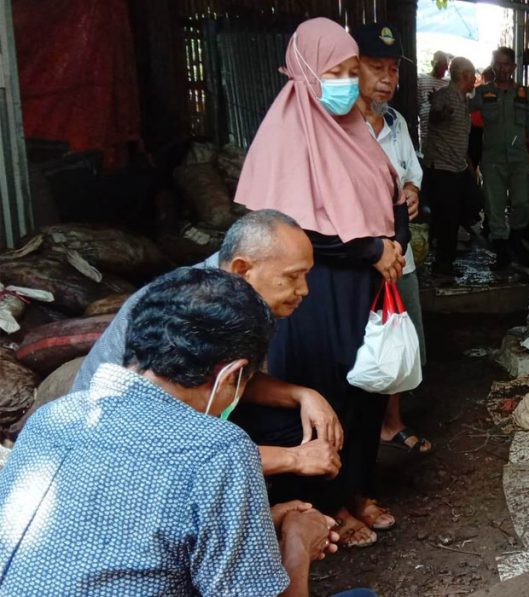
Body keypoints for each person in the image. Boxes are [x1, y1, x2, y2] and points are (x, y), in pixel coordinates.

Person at [0, 268, 344, 596]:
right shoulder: (218, 449)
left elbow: (113, 542)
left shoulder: (51, 419)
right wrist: (298, 546)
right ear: (232, 376)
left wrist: (258, 525)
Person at [234, 17, 408, 549]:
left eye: (350, 71)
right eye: (335, 71)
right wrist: (371, 248)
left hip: (367, 286)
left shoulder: (357, 130)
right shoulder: (287, 133)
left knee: (366, 390)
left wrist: (394, 242)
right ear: (307, 70)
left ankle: (357, 488)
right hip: (314, 293)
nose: (346, 82)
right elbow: (288, 230)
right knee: (323, 391)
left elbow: (390, 194)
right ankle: (320, 506)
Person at [72, 209, 342, 480]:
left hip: (166, 426)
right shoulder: (194, 307)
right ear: (242, 269)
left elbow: (232, 383)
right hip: (133, 439)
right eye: (293, 276)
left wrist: (303, 395)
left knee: (303, 427)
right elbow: (172, 446)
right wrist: (292, 459)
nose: (304, 289)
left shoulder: (229, 299)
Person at [352, 22, 432, 455]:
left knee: (401, 336)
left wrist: (414, 190)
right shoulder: (339, 125)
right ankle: (357, 429)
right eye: (375, 66)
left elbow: (410, 171)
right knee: (362, 341)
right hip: (357, 255)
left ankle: (391, 422)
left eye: (393, 69)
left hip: (401, 255)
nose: (386, 77)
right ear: (353, 67)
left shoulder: (397, 122)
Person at [468, 47, 529, 270]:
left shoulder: (524, 94)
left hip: (519, 159)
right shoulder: (483, 93)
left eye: (506, 64)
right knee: (494, 206)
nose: (502, 68)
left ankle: (515, 241)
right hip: (492, 159)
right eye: (497, 63)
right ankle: (502, 253)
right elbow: (461, 108)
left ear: (513, 67)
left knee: (522, 202)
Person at [422, 56, 476, 277]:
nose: (475, 79)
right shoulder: (445, 96)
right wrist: (441, 114)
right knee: (448, 218)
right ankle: (443, 264)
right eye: (472, 75)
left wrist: (469, 165)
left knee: (463, 209)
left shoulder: (463, 100)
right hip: (442, 168)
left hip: (457, 167)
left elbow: (461, 136)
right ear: (464, 76)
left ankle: (445, 257)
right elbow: (435, 116)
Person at [417, 50, 450, 154]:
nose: (443, 68)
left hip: (444, 133)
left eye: (445, 66)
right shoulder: (421, 78)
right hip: (426, 131)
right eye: (440, 64)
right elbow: (417, 102)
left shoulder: (448, 82)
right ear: (432, 63)